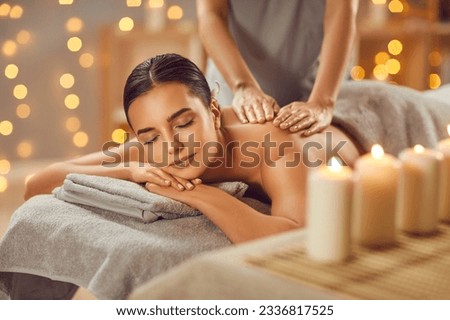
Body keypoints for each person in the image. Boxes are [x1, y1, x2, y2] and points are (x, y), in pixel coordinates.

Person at [24, 54, 361, 243]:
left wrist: (197, 194)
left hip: (355, 128)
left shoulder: (276, 147)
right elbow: (37, 182)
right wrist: (129, 171)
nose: (172, 147)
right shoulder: (152, 150)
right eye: (150, 136)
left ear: (214, 111)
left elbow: (291, 240)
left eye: (184, 123)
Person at [196, 0, 358, 136]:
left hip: (319, 91)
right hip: (232, 93)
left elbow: (341, 11)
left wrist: (322, 101)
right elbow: (211, 15)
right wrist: (243, 86)